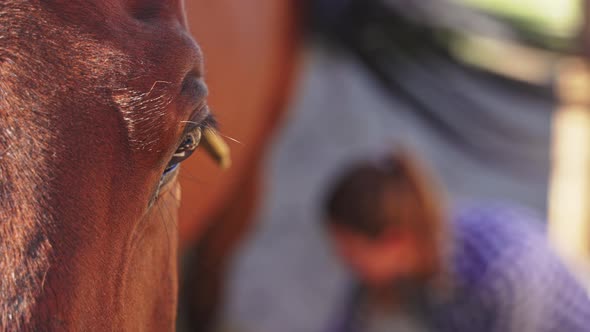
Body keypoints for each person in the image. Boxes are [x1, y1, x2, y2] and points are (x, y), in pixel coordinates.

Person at [323, 152, 590, 332]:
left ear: (394, 241)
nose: (346, 263)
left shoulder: (502, 272)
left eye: (351, 251)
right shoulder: (395, 270)